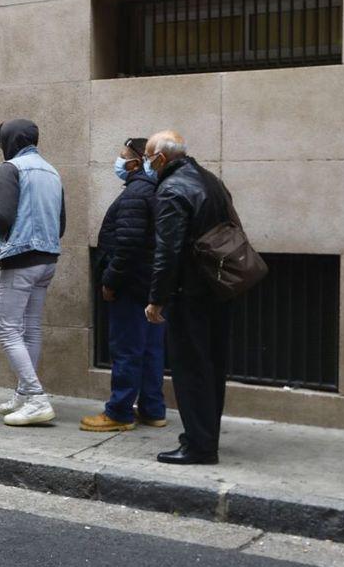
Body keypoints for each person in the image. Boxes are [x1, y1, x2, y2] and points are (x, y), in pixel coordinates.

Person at [144, 130, 234, 465]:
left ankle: (199, 445)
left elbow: (167, 251)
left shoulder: (171, 190)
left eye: (149, 156)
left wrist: (157, 299)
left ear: (162, 158)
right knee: (212, 366)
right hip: (218, 286)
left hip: (190, 292)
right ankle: (206, 435)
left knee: (191, 369)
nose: (146, 163)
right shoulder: (211, 180)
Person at [0, 118, 66, 427]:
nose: (1, 147)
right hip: (48, 258)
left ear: (11, 141)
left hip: (21, 258)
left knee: (8, 329)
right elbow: (61, 223)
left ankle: (37, 398)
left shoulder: (10, 169)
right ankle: (24, 394)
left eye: (2, 141)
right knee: (31, 329)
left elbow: (3, 217)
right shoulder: (52, 171)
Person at [82, 138, 166, 432]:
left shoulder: (136, 193)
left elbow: (127, 246)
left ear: (136, 161)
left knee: (127, 349)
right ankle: (153, 409)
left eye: (121, 157)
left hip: (131, 285)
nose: (117, 162)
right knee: (151, 349)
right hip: (152, 284)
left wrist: (109, 281)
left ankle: (119, 412)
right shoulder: (154, 190)